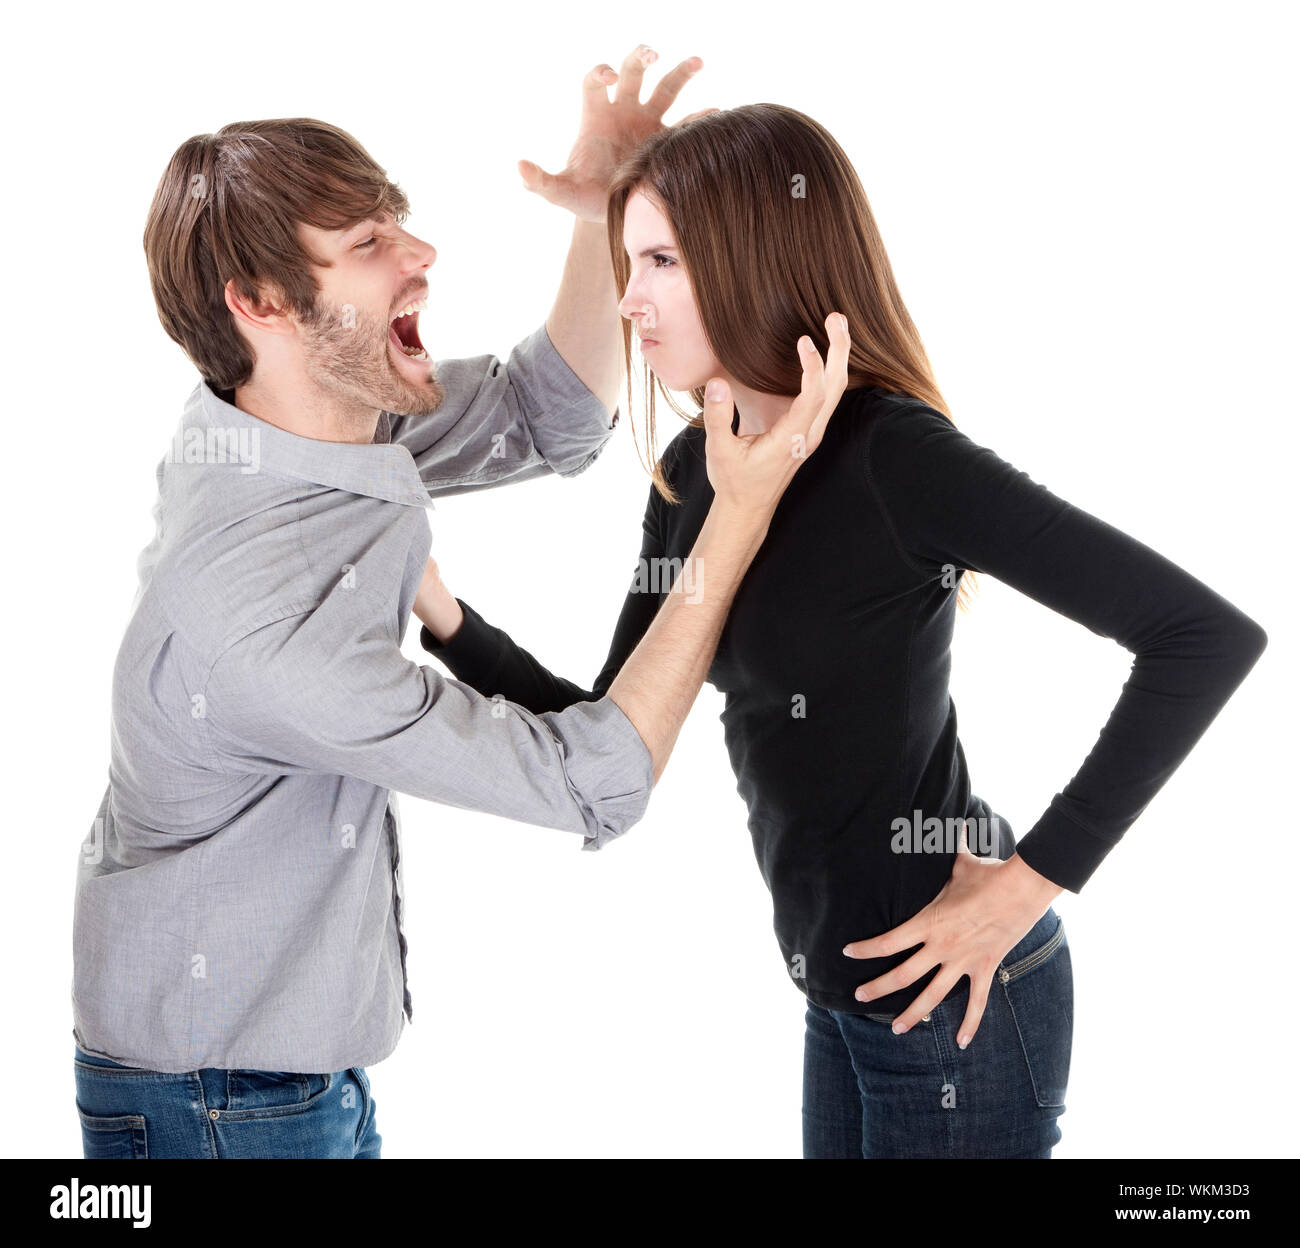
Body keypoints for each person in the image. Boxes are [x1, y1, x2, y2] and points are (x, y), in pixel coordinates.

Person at [412, 102, 1269, 1159]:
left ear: (757, 256)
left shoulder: (893, 456)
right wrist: (441, 613)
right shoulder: (695, 475)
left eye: (660, 261)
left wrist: (1030, 882)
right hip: (838, 994)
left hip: (955, 997)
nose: (629, 300)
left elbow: (1201, 637)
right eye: (625, 261)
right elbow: (609, 731)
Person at [72, 51, 853, 1160]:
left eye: (398, 221)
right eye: (367, 246)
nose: (422, 255)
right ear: (259, 305)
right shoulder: (257, 628)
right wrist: (738, 517)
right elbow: (590, 781)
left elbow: (549, 417)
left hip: (283, 1072)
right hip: (215, 1104)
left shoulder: (298, 423)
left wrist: (596, 213)